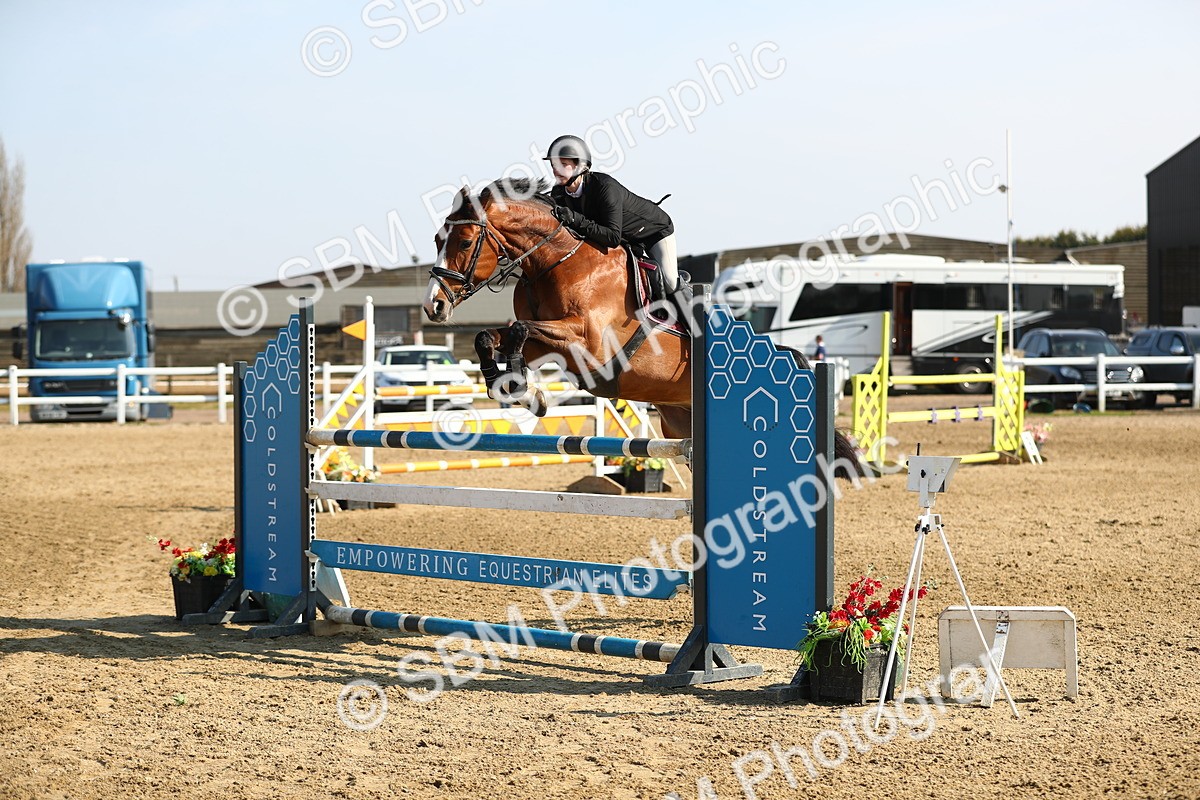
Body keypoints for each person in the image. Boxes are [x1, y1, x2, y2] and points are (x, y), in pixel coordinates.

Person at [542, 134, 679, 295]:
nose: (556, 170)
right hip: (625, 238)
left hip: (653, 232)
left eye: (563, 164)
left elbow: (612, 237)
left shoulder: (604, 188)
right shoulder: (558, 192)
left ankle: (689, 315)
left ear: (580, 166)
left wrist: (574, 218)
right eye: (553, 165)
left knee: (669, 283)